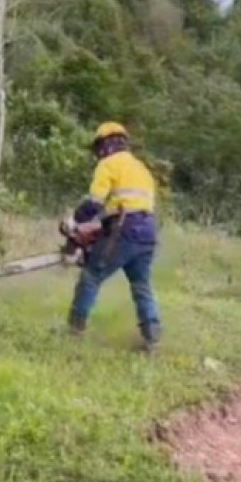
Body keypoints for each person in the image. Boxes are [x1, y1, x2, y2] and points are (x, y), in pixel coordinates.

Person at [64, 122, 162, 352]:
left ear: (104, 145)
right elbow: (130, 204)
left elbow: (94, 203)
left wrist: (75, 221)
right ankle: (152, 338)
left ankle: (74, 330)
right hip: (147, 231)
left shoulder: (108, 165)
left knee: (91, 277)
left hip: (123, 229)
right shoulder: (141, 168)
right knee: (141, 285)